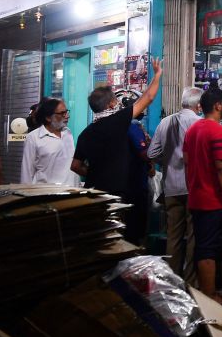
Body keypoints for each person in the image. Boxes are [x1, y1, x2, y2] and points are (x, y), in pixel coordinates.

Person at [72, 59, 162, 203]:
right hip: (118, 194)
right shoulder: (118, 121)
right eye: (116, 100)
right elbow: (148, 97)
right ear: (110, 104)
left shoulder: (85, 134)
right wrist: (157, 75)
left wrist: (96, 175)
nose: (119, 103)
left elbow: (75, 166)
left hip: (94, 192)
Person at [183, 88, 222, 307]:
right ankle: (210, 296)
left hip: (196, 195)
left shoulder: (193, 130)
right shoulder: (216, 131)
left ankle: (207, 292)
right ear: (217, 106)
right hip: (211, 199)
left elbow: (186, 162)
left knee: (203, 245)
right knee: (208, 248)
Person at [147, 87, 204, 279]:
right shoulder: (199, 123)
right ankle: (190, 281)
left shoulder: (165, 122)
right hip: (192, 187)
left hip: (171, 186)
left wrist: (169, 161)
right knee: (193, 236)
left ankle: (172, 278)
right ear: (199, 106)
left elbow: (151, 154)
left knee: (173, 236)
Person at [20, 98, 79, 186]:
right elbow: (27, 172)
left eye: (66, 112)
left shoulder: (67, 133)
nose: (67, 116)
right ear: (48, 118)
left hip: (72, 192)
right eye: (62, 113)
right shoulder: (33, 138)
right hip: (46, 194)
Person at [122, 100, 155, 245]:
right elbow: (143, 154)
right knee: (135, 223)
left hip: (125, 182)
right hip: (135, 182)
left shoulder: (120, 126)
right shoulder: (133, 127)